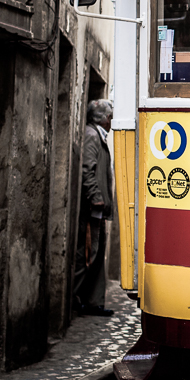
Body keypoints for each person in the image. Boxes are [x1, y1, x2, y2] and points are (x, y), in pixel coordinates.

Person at [75, 99, 114, 317]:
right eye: (109, 116)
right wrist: (96, 197)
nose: (111, 120)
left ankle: (94, 302)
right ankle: (76, 296)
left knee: (97, 256)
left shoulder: (100, 136)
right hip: (93, 208)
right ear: (100, 118)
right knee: (88, 254)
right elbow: (87, 170)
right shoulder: (92, 135)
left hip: (99, 209)